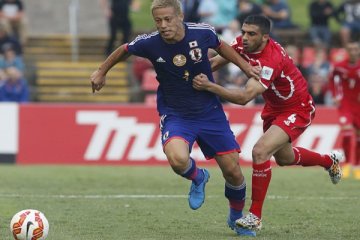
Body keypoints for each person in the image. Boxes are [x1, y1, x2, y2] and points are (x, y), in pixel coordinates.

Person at [90, 0, 261, 237]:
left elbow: (222, 47)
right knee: (178, 159)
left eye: (168, 19)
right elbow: (123, 50)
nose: (163, 25)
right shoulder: (149, 42)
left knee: (233, 171)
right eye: (158, 20)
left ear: (179, 16)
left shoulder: (203, 32)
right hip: (176, 113)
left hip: (209, 112)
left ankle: (236, 216)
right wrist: (101, 71)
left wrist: (245, 67)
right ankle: (198, 176)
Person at [192, 15, 343, 232]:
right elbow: (216, 62)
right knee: (285, 158)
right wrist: (189, 78)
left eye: (251, 34)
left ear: (265, 37)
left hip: (297, 108)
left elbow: (245, 98)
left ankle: (255, 216)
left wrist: (210, 87)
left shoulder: (270, 60)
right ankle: (329, 161)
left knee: (260, 151)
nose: (244, 37)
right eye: (243, 31)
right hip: (274, 108)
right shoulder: (243, 43)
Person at [329, 40, 360, 180]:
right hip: (346, 104)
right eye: (351, 49)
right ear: (347, 51)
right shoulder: (339, 66)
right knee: (347, 132)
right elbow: (333, 80)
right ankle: (347, 164)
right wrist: (336, 95)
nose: (353, 51)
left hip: (358, 104)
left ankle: (357, 166)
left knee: (358, 135)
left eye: (355, 49)